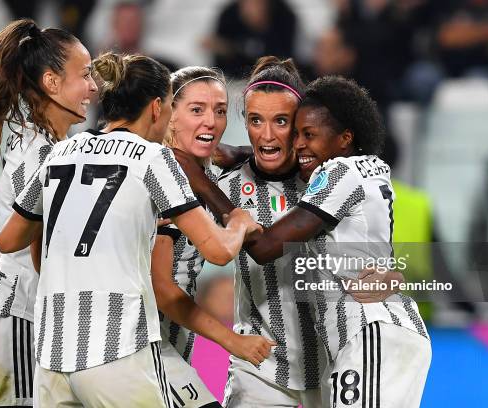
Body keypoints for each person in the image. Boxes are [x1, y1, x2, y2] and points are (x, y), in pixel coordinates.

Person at [0, 52, 262, 407]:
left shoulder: (61, 153)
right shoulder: (152, 158)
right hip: (117, 349)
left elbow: (10, 239)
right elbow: (218, 250)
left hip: (52, 353)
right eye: (173, 106)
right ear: (157, 108)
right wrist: (240, 224)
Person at [196, 76, 431, 407]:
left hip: (366, 333)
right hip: (313, 354)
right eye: (256, 120)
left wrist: (206, 185)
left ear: (345, 138)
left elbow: (265, 247)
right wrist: (238, 155)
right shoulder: (367, 168)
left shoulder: (336, 174)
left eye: (299, 130)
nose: (298, 143)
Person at [177, 56, 326, 407]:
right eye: (256, 120)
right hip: (259, 371)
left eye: (281, 121)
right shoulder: (228, 183)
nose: (267, 134)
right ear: (244, 121)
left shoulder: (327, 182)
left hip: (330, 363)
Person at [0, 19, 97, 407]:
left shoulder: (48, 143)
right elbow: (40, 253)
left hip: (20, 319)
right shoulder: (43, 154)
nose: (93, 86)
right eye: (85, 74)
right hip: (17, 318)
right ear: (52, 83)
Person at [153, 66, 275, 407]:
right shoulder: (164, 175)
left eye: (220, 111)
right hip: (143, 343)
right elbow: (161, 287)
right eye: (197, 110)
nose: (211, 121)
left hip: (172, 342)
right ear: (169, 114)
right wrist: (232, 342)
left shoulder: (205, 169)